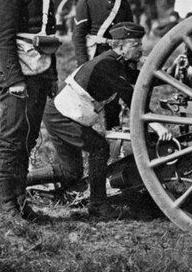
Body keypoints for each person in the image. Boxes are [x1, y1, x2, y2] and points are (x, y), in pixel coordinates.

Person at [41, 22, 173, 219]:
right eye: (136, 44)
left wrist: (172, 73)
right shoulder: (107, 65)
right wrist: (158, 126)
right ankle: (98, 205)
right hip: (60, 116)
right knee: (99, 148)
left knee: (71, 172)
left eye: (140, 44)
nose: (141, 48)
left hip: (63, 114)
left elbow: (141, 78)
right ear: (120, 46)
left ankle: (21, 183)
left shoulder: (116, 62)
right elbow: (132, 98)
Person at [0, 0, 61, 223]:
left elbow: (48, 38)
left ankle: (20, 201)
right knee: (12, 140)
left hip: (39, 76)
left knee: (28, 139)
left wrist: (52, 77)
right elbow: (3, 40)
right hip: (19, 79)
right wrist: (15, 81)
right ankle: (7, 204)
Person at [71, 0, 135, 130]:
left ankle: (112, 136)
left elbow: (130, 35)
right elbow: (78, 36)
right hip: (95, 58)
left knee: (113, 102)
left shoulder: (124, 5)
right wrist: (83, 63)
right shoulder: (87, 3)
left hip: (115, 58)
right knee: (87, 101)